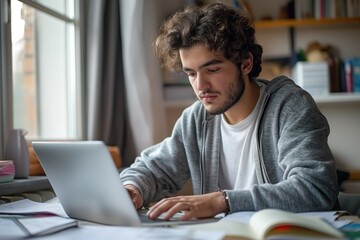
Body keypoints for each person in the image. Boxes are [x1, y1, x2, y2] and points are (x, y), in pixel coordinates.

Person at [120, 2, 339, 221]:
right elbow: (152, 169)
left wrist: (222, 201)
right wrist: (133, 188)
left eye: (212, 69)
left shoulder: (290, 107)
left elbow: (315, 189)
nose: (201, 85)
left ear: (245, 63)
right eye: (191, 74)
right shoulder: (196, 120)